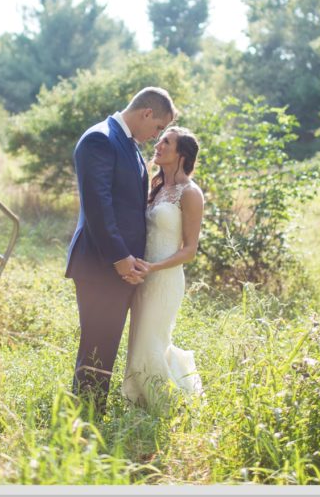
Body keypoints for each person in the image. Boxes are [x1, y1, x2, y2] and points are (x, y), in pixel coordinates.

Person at [65, 87, 176, 415]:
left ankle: (92, 411)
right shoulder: (100, 139)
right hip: (101, 264)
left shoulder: (126, 143)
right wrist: (119, 258)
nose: (156, 136)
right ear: (146, 114)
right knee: (97, 343)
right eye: (157, 128)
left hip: (121, 266)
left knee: (107, 340)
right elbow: (99, 206)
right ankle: (86, 416)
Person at [121, 126, 205, 411]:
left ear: (181, 154)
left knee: (151, 339)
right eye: (158, 140)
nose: (158, 145)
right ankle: (138, 399)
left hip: (165, 278)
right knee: (139, 339)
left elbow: (190, 250)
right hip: (142, 276)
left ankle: (167, 405)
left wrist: (154, 267)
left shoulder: (191, 194)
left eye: (166, 142)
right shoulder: (156, 187)